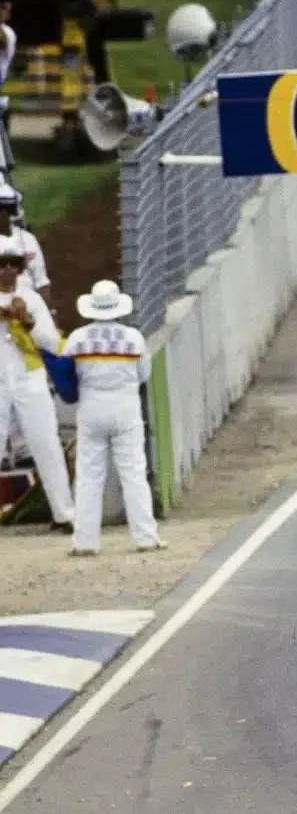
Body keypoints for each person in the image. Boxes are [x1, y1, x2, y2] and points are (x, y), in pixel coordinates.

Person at [64, 280, 160, 557]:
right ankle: (145, 537)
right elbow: (144, 374)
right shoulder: (133, 338)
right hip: (125, 407)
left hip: (91, 406)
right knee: (133, 473)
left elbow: (67, 371)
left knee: (89, 476)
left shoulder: (77, 338)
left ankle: (85, 541)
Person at [0, 240, 72, 534]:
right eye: (1, 264)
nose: (7, 269)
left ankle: (64, 513)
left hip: (30, 377)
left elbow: (52, 342)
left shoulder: (30, 298)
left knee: (46, 443)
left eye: (14, 263)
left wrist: (28, 322)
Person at [0, 185, 50, 300]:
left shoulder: (28, 239)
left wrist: (46, 308)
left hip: (30, 306)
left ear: (8, 212)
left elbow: (42, 283)